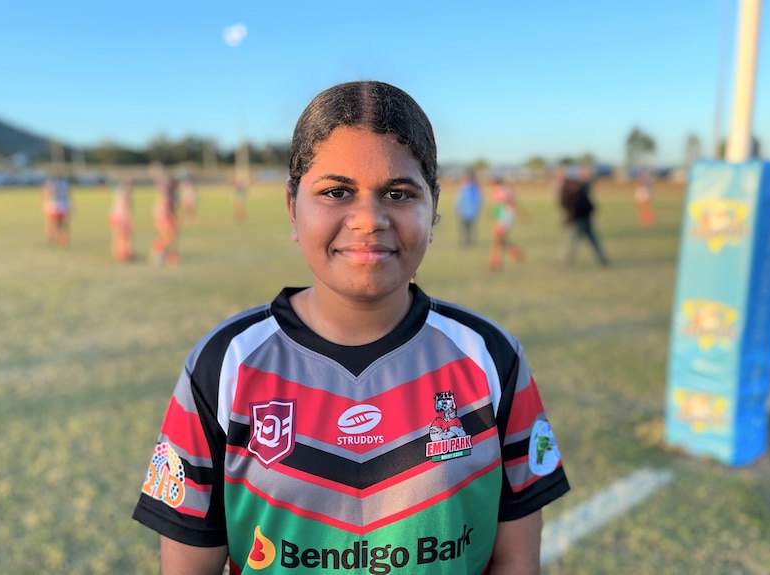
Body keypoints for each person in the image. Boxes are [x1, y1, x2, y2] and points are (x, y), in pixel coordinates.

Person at [132, 80, 570, 575]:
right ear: (293, 206)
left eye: (399, 193)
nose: (368, 219)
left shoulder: (491, 357)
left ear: (434, 209)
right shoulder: (223, 364)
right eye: (337, 192)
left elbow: (515, 561)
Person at [559, 165, 609, 266]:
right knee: (572, 241)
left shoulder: (580, 186)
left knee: (583, 240)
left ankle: (602, 259)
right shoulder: (572, 188)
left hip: (583, 218)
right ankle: (568, 262)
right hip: (576, 219)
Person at [488, 176, 524, 270]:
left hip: (503, 218)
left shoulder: (499, 190)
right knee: (500, 240)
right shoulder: (507, 189)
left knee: (498, 241)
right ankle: (514, 252)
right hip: (505, 217)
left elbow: (500, 205)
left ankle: (496, 262)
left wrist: (497, 220)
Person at [150, 173, 180, 265]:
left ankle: (165, 255)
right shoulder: (166, 195)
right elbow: (166, 208)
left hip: (165, 218)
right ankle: (159, 253)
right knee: (168, 239)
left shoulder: (170, 194)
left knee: (169, 239)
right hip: (165, 218)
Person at [40, 174, 71, 245]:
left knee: (52, 222)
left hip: (52, 204)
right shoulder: (64, 184)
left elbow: (45, 194)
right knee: (62, 223)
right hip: (63, 204)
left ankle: (53, 237)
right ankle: (63, 238)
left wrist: (43, 204)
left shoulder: (48, 184)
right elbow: (67, 194)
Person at [109, 177, 134, 262]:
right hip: (121, 217)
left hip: (114, 215)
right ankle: (122, 255)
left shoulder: (119, 191)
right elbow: (125, 207)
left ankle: (117, 254)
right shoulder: (125, 193)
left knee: (117, 236)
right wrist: (130, 220)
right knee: (123, 237)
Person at [454, 170, 482, 246]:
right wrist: (456, 207)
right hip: (463, 210)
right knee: (463, 227)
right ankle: (464, 241)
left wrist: (477, 208)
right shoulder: (463, 186)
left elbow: (478, 199)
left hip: (471, 211)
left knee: (470, 227)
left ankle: (469, 241)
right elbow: (459, 198)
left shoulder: (475, 187)